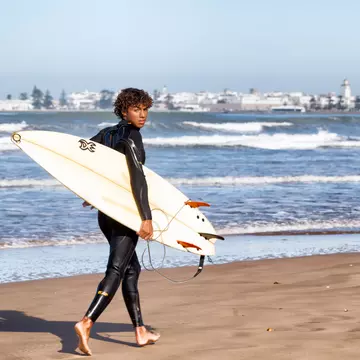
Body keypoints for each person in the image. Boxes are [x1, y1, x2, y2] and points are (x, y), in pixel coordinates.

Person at [74, 88, 160, 356]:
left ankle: (140, 330)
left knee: (131, 269)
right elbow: (138, 178)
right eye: (137, 109)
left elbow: (82, 157)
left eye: (145, 109)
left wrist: (94, 193)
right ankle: (87, 321)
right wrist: (146, 217)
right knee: (116, 269)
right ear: (125, 111)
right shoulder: (132, 137)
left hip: (106, 213)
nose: (143, 115)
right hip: (125, 213)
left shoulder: (107, 133)